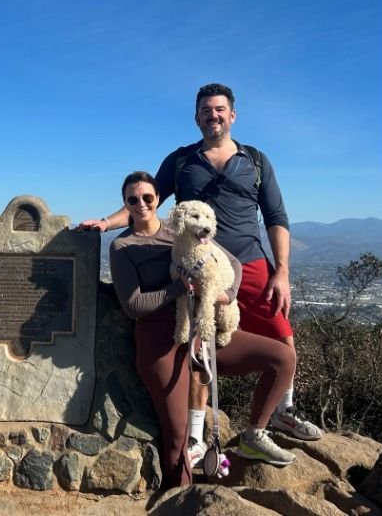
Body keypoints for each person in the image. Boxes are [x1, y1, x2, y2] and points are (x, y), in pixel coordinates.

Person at [80, 83, 322, 447]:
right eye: (207, 110)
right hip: (199, 264)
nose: (214, 115)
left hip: (252, 261)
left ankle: (282, 412)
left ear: (232, 115)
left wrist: (282, 270)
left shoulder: (255, 160)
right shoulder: (181, 161)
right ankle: (196, 438)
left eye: (220, 109)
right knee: (198, 348)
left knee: (282, 336)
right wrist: (105, 224)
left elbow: (276, 217)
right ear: (197, 118)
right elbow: (146, 200)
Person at [109, 171, 299, 490]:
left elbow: (233, 264)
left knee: (282, 358)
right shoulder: (122, 246)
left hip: (203, 331)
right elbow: (133, 306)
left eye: (147, 197)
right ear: (125, 204)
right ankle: (181, 499)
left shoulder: (182, 229)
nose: (140, 204)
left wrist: (229, 294)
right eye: (132, 199)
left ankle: (254, 434)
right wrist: (177, 288)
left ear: (158, 199)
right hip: (161, 341)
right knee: (177, 437)